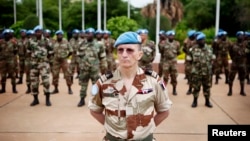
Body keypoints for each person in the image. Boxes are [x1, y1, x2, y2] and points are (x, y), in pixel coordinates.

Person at [88, 31, 172, 141]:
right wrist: (112, 128)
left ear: (139, 54)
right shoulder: (104, 82)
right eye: (120, 50)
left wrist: (146, 130)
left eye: (130, 50)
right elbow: (94, 110)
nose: (124, 54)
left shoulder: (153, 81)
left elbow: (164, 111)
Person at [77, 27, 107, 107]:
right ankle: (82, 99)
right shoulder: (81, 44)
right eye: (87, 33)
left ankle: (95, 100)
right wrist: (80, 66)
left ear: (93, 35)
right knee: (83, 85)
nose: (89, 35)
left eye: (90, 33)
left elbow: (103, 57)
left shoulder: (99, 45)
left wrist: (103, 68)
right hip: (84, 69)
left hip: (95, 69)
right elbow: (78, 56)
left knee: (95, 85)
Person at [186, 32, 215, 108]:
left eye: (203, 39)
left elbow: (212, 59)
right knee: (196, 87)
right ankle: (195, 101)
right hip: (196, 73)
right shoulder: (193, 49)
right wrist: (192, 70)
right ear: (197, 41)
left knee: (207, 87)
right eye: (200, 40)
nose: (202, 41)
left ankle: (207, 101)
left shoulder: (209, 49)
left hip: (207, 72)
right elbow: (189, 60)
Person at [27, 25, 53, 106]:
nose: (38, 33)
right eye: (37, 31)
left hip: (44, 64)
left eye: (40, 31)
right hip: (34, 65)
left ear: (42, 32)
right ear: (34, 32)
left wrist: (45, 59)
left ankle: (47, 100)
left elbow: (51, 51)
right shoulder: (30, 41)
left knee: (46, 82)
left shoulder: (46, 40)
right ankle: (35, 99)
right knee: (34, 83)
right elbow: (28, 51)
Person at [51, 30, 73, 95]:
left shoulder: (66, 41)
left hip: (64, 60)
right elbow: (51, 51)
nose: (60, 36)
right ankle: (55, 88)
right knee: (55, 74)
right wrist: (54, 56)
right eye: (58, 35)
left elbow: (71, 50)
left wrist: (66, 56)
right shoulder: (54, 42)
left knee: (67, 74)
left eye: (61, 35)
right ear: (56, 36)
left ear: (62, 35)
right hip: (56, 60)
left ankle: (69, 88)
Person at [159, 30, 181, 95]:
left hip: (173, 62)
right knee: (165, 77)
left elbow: (178, 51)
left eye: (173, 35)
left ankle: (174, 89)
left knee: (174, 76)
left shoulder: (177, 43)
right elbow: (161, 52)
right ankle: (163, 90)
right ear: (168, 36)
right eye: (170, 35)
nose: (171, 36)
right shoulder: (163, 43)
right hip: (166, 62)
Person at [227, 31, 247, 96]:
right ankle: (230, 91)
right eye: (240, 35)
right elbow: (230, 52)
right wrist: (233, 58)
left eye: (242, 35)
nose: (241, 37)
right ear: (237, 36)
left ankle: (242, 91)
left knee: (242, 78)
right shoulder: (233, 44)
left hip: (242, 63)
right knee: (231, 78)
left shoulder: (245, 44)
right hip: (235, 64)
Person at [0, 29, 18, 94]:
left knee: (12, 75)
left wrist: (12, 57)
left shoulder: (13, 42)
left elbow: (16, 51)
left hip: (11, 60)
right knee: (3, 75)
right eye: (6, 34)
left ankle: (14, 88)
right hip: (3, 61)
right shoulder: (1, 42)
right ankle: (3, 89)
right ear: (4, 35)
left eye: (8, 34)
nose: (7, 35)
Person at [183, 30, 196, 94]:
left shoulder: (197, 41)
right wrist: (188, 54)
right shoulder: (186, 41)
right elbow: (184, 49)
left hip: (196, 60)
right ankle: (190, 88)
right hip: (189, 60)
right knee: (189, 73)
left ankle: (195, 89)